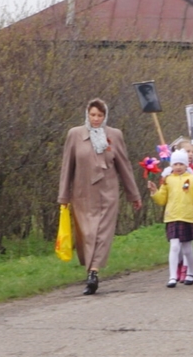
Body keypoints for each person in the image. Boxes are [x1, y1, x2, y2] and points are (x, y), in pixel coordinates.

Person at [58, 98, 142, 295]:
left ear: (105, 116)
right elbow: (66, 167)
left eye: (100, 115)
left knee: (102, 234)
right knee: (87, 234)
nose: (96, 119)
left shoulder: (114, 135)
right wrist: (63, 197)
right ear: (87, 114)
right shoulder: (75, 134)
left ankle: (93, 273)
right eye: (93, 115)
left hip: (107, 193)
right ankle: (90, 270)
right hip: (82, 193)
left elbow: (124, 166)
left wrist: (134, 195)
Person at [148, 149, 193, 288]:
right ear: (171, 165)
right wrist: (154, 192)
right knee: (174, 246)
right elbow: (162, 200)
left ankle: (190, 272)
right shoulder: (167, 180)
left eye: (181, 164)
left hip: (187, 217)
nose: (178, 167)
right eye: (175, 164)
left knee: (187, 248)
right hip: (172, 216)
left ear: (186, 165)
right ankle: (172, 276)